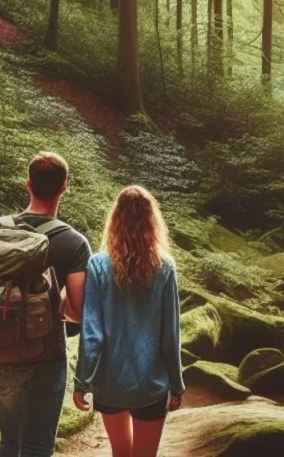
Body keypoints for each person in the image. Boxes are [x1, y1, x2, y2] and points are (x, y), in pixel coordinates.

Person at [0, 152, 91, 457]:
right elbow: (78, 311)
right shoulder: (73, 242)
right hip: (46, 355)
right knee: (37, 447)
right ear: (65, 187)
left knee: (9, 442)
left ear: (27, 184)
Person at [73, 185, 185, 457]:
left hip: (110, 384)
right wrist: (177, 384)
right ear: (151, 221)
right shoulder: (165, 267)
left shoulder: (98, 266)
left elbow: (91, 334)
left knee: (121, 452)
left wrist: (82, 381)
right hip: (150, 385)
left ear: (115, 220)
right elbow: (170, 334)